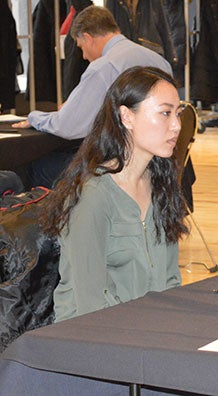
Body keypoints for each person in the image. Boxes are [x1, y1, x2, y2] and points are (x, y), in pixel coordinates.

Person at [42, 66, 188, 322]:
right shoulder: (93, 195)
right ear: (126, 117)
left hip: (148, 330)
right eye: (165, 113)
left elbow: (170, 280)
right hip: (94, 336)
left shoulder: (161, 186)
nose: (176, 125)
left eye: (178, 113)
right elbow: (89, 302)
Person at [12, 5, 173, 188]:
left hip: (116, 164)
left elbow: (67, 126)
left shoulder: (103, 68)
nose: (84, 55)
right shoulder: (159, 61)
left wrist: (35, 117)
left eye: (81, 47)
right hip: (156, 163)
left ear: (88, 38)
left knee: (35, 169)